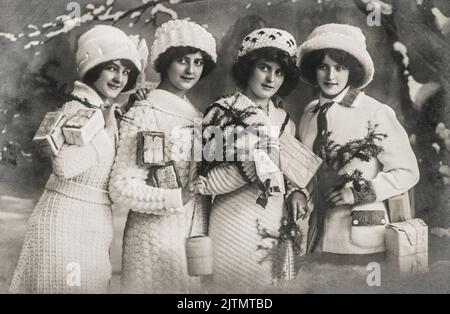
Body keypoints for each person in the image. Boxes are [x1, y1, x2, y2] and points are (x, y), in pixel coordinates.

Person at [9, 25, 147, 293]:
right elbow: (65, 165)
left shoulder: (100, 108)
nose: (119, 77)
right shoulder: (78, 107)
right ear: (94, 67)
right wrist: (107, 132)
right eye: (112, 68)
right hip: (66, 222)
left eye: (125, 71)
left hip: (91, 222)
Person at [108, 19, 217, 293]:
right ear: (165, 61)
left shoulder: (198, 115)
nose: (191, 70)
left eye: (198, 62)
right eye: (182, 60)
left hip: (192, 237)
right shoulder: (145, 111)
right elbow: (121, 187)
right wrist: (176, 197)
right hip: (152, 238)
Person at [296, 23, 420, 259]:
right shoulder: (309, 113)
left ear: (351, 71)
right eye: (323, 67)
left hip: (362, 240)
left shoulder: (375, 112)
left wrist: (357, 193)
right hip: (316, 238)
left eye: (339, 67)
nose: (331, 76)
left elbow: (408, 171)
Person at [194, 28, 301, 291]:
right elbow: (204, 180)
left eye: (279, 72)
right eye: (264, 68)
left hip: (273, 216)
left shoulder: (285, 121)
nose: (271, 78)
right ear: (247, 69)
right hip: (233, 217)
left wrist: (297, 191)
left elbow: (290, 172)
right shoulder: (221, 112)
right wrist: (249, 170)